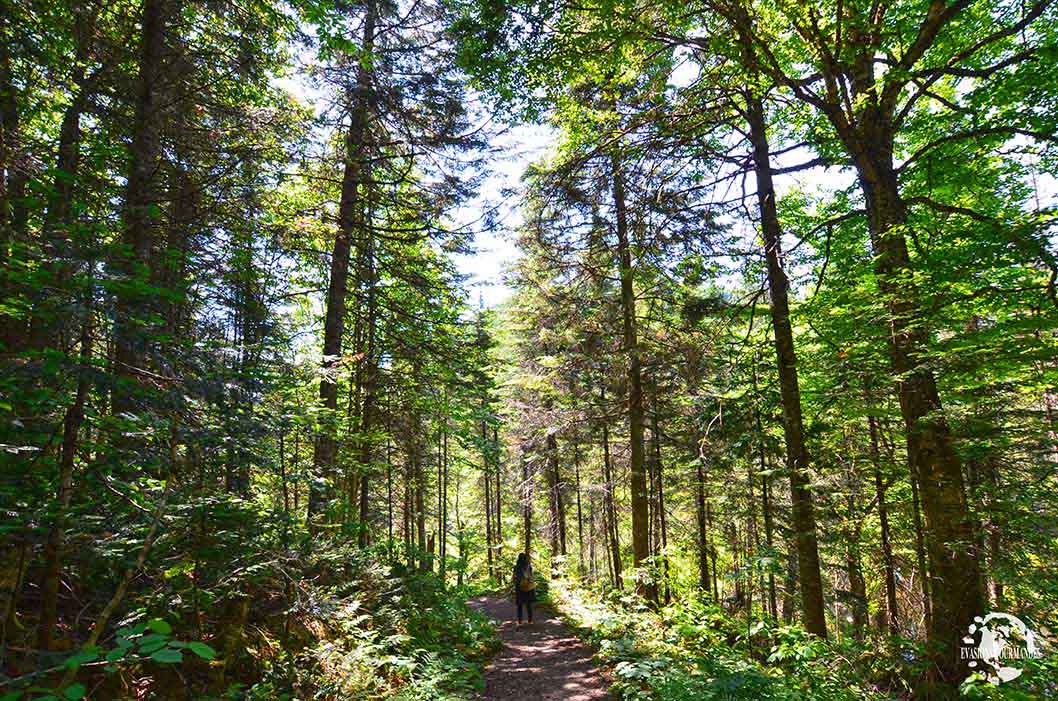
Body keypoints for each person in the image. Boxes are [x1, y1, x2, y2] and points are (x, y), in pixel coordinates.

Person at [512, 552, 535, 625]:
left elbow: (514, 577)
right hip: (529, 587)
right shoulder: (529, 566)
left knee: (519, 605)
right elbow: (531, 577)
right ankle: (530, 621)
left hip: (519, 587)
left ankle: (520, 621)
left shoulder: (516, 567)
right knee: (529, 604)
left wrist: (514, 583)